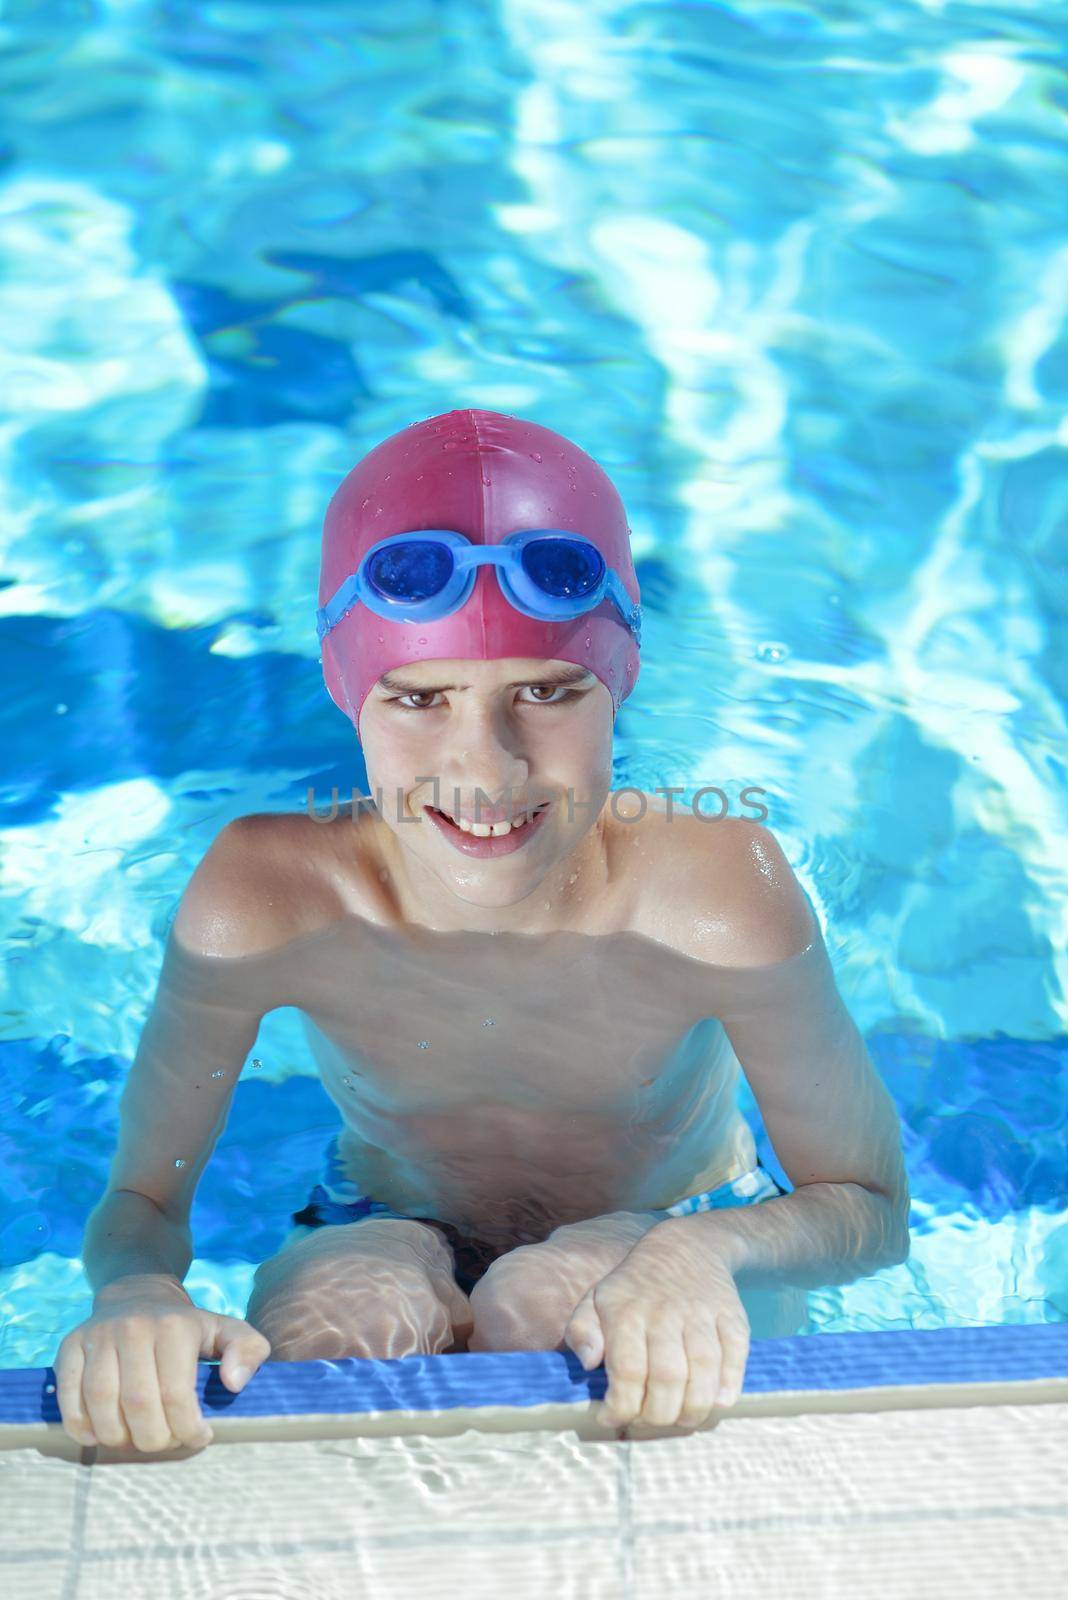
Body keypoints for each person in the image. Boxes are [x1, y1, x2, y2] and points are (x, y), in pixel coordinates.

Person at [54, 409, 910, 1455]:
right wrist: (138, 1294)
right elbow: (141, 1199)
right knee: (336, 1329)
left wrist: (705, 1257)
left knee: (550, 1302)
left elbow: (866, 1206)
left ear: (622, 682)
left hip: (682, 1229)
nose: (486, 769)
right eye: (419, 697)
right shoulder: (267, 895)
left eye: (547, 691)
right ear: (346, 693)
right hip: (381, 1216)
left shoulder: (716, 892)